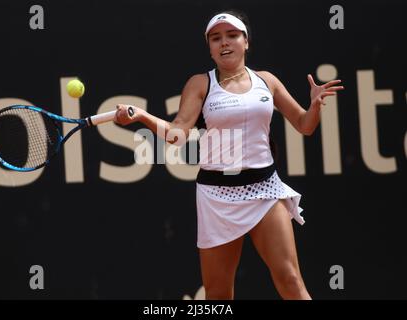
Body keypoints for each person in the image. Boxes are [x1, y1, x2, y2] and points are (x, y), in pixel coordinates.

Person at [114, 10, 344, 300]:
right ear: (209, 48)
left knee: (290, 278)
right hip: (216, 197)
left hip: (264, 190)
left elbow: (304, 126)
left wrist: (314, 107)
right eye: (216, 38)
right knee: (219, 295)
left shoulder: (267, 81)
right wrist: (141, 116)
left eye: (232, 35)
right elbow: (177, 134)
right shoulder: (200, 84)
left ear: (246, 42)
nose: (224, 43)